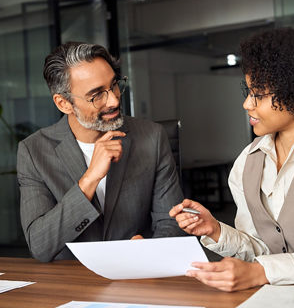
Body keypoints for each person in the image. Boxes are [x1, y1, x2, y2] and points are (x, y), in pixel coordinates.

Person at [170, 27, 294, 292]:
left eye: (259, 94)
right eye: (249, 91)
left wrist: (261, 272)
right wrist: (215, 230)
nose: (247, 104)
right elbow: (261, 248)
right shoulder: (248, 160)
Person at [17, 42, 184, 262]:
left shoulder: (152, 137)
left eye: (114, 85)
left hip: (139, 275)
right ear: (63, 103)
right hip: (71, 283)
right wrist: (89, 179)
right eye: (96, 95)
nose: (114, 100)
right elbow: (40, 245)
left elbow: (171, 223)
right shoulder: (33, 151)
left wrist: (149, 254)